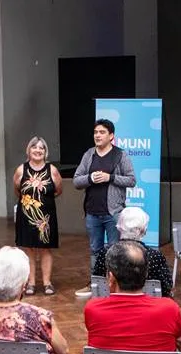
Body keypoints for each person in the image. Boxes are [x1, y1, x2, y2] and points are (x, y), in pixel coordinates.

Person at [72, 119, 136, 297]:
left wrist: (111, 177)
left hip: (114, 212)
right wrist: (91, 178)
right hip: (92, 212)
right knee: (95, 249)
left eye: (102, 132)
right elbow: (77, 181)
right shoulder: (89, 155)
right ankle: (94, 283)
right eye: (95, 132)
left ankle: (115, 285)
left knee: (115, 250)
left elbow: (131, 180)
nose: (97, 135)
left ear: (111, 136)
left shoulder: (120, 155)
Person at [13, 136, 63, 296]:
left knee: (45, 249)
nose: (38, 150)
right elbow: (17, 190)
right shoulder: (21, 169)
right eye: (34, 147)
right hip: (26, 215)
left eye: (41, 148)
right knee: (28, 248)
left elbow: (58, 190)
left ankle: (47, 283)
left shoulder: (52, 170)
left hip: (46, 217)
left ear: (45, 152)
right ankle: (31, 283)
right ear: (29, 150)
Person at [92, 206, 173, 298]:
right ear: (144, 230)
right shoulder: (155, 256)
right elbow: (166, 288)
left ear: (119, 228)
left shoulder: (105, 253)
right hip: (148, 308)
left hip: (112, 307)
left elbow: (98, 282)